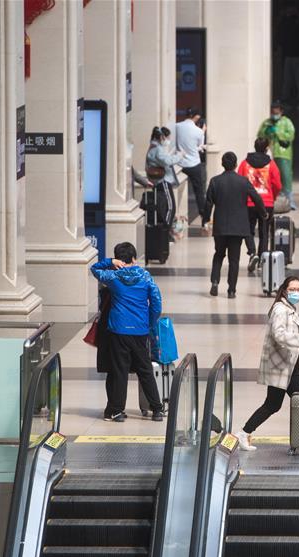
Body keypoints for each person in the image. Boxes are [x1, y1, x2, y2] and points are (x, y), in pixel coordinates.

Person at [234, 277, 299, 450]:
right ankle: (243, 433)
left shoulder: (288, 307)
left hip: (290, 365)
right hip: (281, 366)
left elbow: (287, 331)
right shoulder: (280, 309)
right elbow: (279, 335)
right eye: (292, 289)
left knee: (295, 401)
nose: (296, 292)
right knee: (278, 404)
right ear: (285, 290)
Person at [90, 242, 164, 423]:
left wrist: (110, 262)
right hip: (140, 330)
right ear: (134, 258)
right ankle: (157, 409)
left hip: (118, 329)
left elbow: (94, 268)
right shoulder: (145, 277)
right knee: (145, 369)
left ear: (118, 259)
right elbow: (156, 303)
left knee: (119, 370)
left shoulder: (112, 277)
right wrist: (150, 323)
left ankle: (116, 411)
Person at [205, 152, 267, 298]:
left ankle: (215, 282)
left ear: (222, 164)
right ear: (235, 164)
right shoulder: (243, 181)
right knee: (234, 260)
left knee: (219, 254)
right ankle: (231, 290)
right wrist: (263, 213)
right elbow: (256, 198)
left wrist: (206, 220)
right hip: (238, 227)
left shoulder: (215, 181)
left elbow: (208, 203)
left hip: (220, 227)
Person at [236, 138, 282, 273]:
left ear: (255, 147)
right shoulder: (271, 164)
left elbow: (239, 181)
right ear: (266, 148)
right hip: (266, 203)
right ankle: (263, 259)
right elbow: (277, 184)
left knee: (248, 230)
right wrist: (272, 196)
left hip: (249, 203)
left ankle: (252, 253)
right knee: (264, 231)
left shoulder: (244, 164)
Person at [257, 101, 297, 209]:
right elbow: (260, 135)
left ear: (281, 111)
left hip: (283, 153)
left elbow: (291, 135)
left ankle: (289, 200)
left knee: (285, 175)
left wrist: (278, 133)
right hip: (269, 152)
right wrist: (266, 131)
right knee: (270, 176)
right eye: (273, 112)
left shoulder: (287, 122)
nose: (274, 114)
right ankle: (271, 199)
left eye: (276, 112)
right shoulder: (267, 123)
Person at [145, 126, 183, 226]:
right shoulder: (157, 149)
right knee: (170, 207)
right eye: (168, 138)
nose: (168, 140)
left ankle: (164, 229)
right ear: (162, 137)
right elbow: (167, 161)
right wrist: (180, 156)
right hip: (163, 181)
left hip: (158, 181)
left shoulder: (153, 147)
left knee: (164, 207)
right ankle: (165, 229)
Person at [175, 107, 207, 225]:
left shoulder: (176, 126)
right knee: (199, 191)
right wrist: (203, 132)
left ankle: (177, 218)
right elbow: (199, 147)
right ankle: (204, 218)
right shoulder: (199, 131)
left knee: (176, 190)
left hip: (180, 164)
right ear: (197, 116)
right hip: (193, 163)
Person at [280, 7, 299, 107]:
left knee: (287, 79)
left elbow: (281, 39)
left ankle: (285, 99)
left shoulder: (284, 24)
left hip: (288, 55)